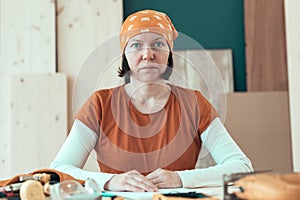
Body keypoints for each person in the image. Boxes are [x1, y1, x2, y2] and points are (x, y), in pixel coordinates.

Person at [50, 9, 253, 192]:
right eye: (136, 45)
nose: (148, 54)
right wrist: (111, 181)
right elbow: (59, 169)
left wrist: (180, 178)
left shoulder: (194, 104)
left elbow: (241, 166)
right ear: (125, 55)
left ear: (169, 53)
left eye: (158, 44)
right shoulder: (100, 104)